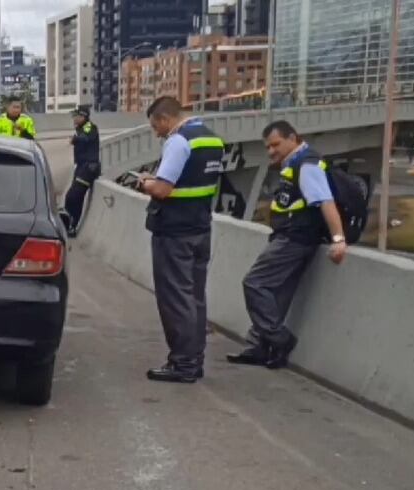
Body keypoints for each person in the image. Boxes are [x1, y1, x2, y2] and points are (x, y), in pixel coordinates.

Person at [228, 121, 347, 369]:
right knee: (277, 293)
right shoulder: (294, 163)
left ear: (293, 138)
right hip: (289, 235)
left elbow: (325, 202)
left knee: (255, 283)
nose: (271, 151)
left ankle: (280, 339)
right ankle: (261, 348)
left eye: (276, 144)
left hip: (295, 238)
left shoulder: (307, 164)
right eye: (268, 147)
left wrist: (338, 239)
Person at [136, 96, 224, 384]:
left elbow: (162, 189)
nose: (156, 132)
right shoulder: (212, 140)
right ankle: (194, 361)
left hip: (174, 232)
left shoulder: (178, 141)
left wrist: (146, 182)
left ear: (164, 119)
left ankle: (182, 363)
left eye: (155, 126)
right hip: (200, 228)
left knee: (176, 299)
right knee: (195, 297)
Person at [63, 105, 101, 233]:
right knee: (70, 197)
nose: (74, 119)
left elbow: (86, 138)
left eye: (77, 116)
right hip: (81, 167)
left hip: (89, 168)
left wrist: (75, 139)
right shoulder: (80, 128)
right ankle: (68, 223)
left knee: (75, 197)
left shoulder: (90, 127)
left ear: (84, 116)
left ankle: (72, 226)